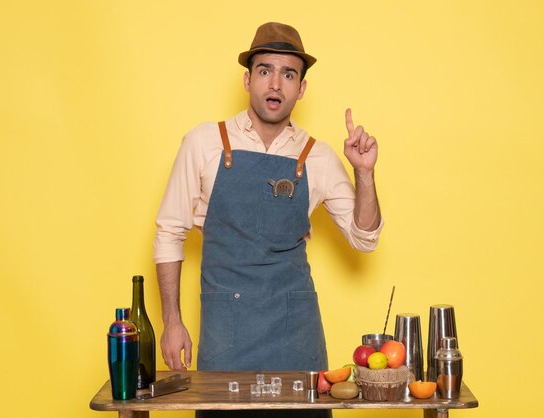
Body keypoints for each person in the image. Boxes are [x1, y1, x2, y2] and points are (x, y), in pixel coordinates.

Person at [153, 22, 383, 416]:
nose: (275, 84)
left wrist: (364, 173)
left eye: (288, 73)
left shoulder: (319, 156)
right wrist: (171, 322)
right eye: (265, 71)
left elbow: (365, 238)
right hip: (226, 332)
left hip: (296, 334)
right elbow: (169, 233)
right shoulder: (205, 142)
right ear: (247, 80)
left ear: (301, 88)